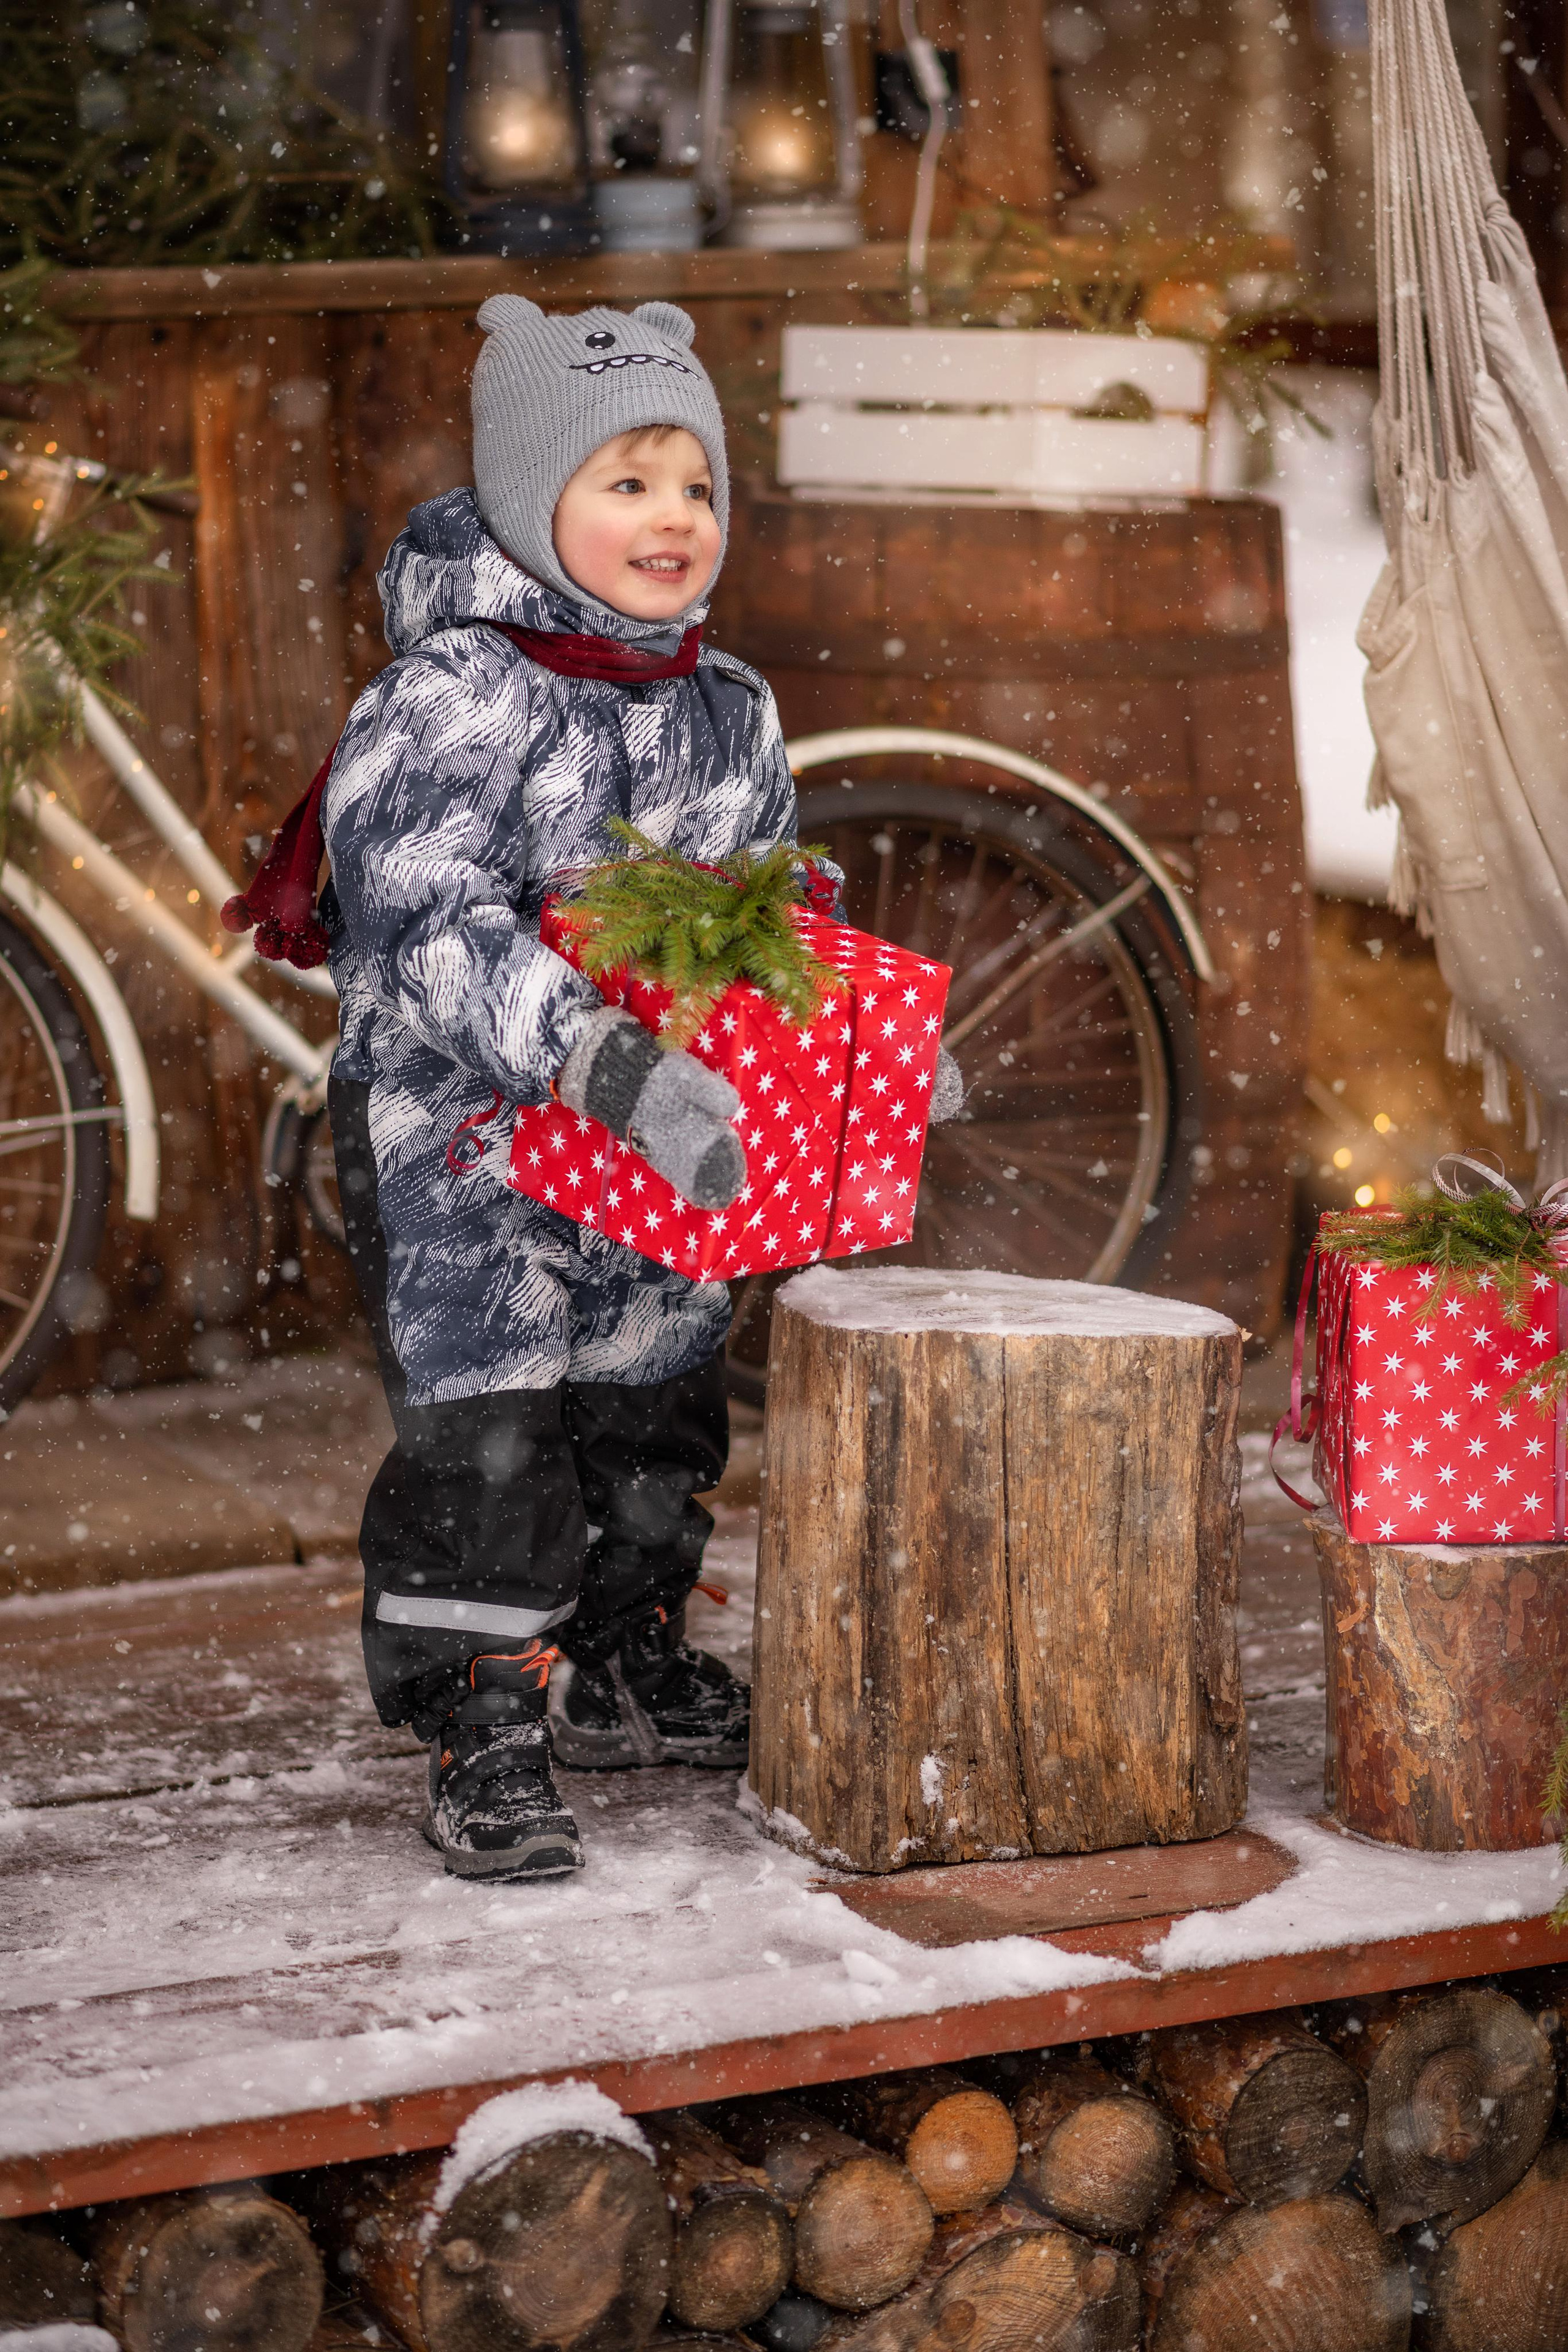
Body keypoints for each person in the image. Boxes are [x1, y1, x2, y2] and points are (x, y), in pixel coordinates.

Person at [307, 296, 960, 1883]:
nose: (672, 518)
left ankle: (622, 1635)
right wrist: (593, 1055)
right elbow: (417, 927)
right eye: (626, 481)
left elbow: (758, 926)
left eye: (696, 486)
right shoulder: (458, 695)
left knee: (655, 1399)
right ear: (537, 503)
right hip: (468, 1144)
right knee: (495, 1427)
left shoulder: (726, 710)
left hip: (667, 1137)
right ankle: (486, 1710)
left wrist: (850, 1048)